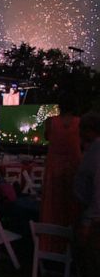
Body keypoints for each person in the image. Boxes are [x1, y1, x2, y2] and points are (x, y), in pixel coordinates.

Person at [40, 95, 82, 250]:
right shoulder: (80, 123)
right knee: (72, 204)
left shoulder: (51, 122)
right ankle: (71, 244)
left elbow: (47, 137)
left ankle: (50, 243)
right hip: (74, 166)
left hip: (54, 167)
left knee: (52, 204)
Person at [74, 112, 100, 277]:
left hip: (94, 221)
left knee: (93, 266)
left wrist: (87, 221)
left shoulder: (96, 152)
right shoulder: (93, 150)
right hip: (91, 215)